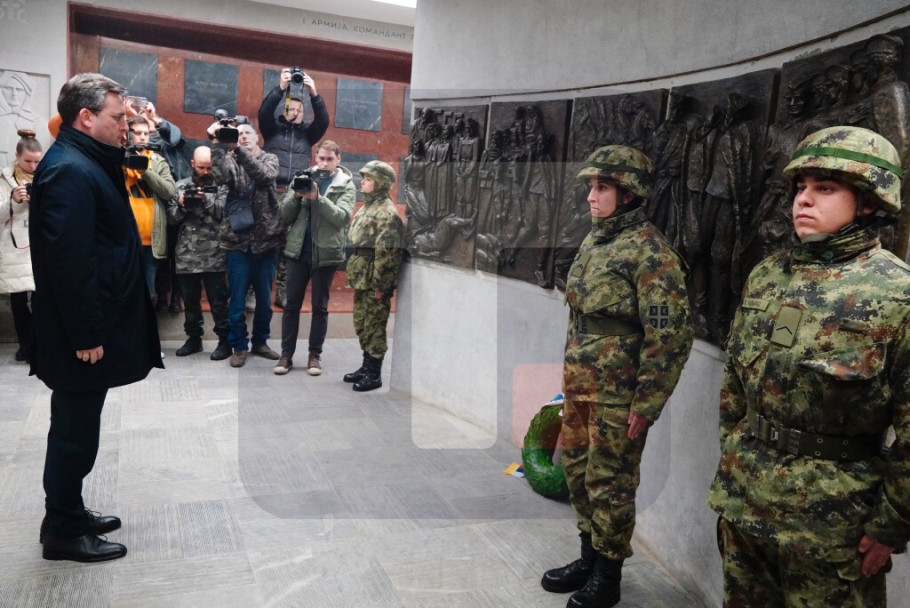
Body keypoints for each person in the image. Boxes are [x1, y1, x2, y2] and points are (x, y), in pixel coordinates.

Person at [707, 126, 910, 607]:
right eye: (801, 187)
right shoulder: (771, 276)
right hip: (746, 504)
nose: (804, 199)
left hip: (832, 526)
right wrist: (736, 457)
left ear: (868, 202)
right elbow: (739, 382)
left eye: (825, 188)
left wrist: (890, 525)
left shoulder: (897, 294)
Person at [541, 145, 693, 608]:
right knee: (577, 472)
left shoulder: (651, 254)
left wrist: (647, 403)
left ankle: (607, 576)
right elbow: (579, 318)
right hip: (582, 387)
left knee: (610, 483)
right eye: (591, 186)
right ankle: (588, 558)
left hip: (618, 396)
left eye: (602, 187)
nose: (592, 196)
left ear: (629, 193)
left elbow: (669, 337)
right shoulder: (596, 242)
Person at [30, 73, 162, 562]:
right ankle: (63, 532)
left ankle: (66, 513)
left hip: (89, 325)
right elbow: (70, 263)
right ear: (85, 117)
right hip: (79, 335)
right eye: (117, 117)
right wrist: (86, 333)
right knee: (74, 434)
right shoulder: (70, 169)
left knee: (78, 428)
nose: (126, 125)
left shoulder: (85, 159)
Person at [274, 140, 355, 376]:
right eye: (321, 158)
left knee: (320, 307)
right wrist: (297, 196)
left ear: (338, 159)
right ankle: (286, 355)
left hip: (326, 253)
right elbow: (284, 216)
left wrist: (318, 198)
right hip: (298, 251)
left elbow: (342, 217)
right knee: (291, 305)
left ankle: (314, 355)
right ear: (315, 157)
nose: (324, 163)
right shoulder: (302, 178)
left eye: (329, 159)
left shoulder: (345, 184)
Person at [208, 119, 284, 368]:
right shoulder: (230, 159)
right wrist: (217, 144)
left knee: (264, 301)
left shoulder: (270, 158)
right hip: (238, 244)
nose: (242, 137)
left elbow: (264, 176)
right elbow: (220, 177)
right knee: (237, 300)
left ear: (257, 138)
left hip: (266, 243)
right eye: (238, 134)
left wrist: (238, 151)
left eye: (247, 133)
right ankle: (239, 346)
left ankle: (260, 342)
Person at [343, 161, 404, 392]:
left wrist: (381, 285)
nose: (363, 182)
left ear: (380, 183)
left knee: (375, 324)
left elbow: (387, 253)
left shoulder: (386, 213)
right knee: (362, 322)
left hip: (374, 279)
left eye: (368, 179)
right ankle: (365, 366)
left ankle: (374, 373)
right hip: (362, 275)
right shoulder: (368, 206)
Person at [167, 145, 231, 361]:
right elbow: (171, 219)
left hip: (215, 254)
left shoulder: (221, 186)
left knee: (219, 303)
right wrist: (182, 205)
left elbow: (223, 212)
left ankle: (224, 341)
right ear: (193, 164)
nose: (205, 172)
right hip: (187, 254)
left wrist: (205, 199)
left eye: (209, 168)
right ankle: (194, 339)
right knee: (190, 302)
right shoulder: (180, 186)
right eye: (201, 167)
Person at [124, 115, 176, 301]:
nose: (142, 137)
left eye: (146, 133)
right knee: (124, 291)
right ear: (128, 134)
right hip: (125, 238)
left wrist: (145, 171)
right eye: (137, 133)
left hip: (151, 240)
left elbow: (170, 192)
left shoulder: (157, 161)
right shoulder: (117, 158)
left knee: (148, 293)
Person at [0, 129, 41, 362]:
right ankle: (25, 345)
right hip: (14, 247)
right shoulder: (4, 180)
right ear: (17, 156)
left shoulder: (47, 176)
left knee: (41, 301)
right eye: (28, 161)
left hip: (40, 246)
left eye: (37, 162)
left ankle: (36, 345)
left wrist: (40, 201)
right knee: (18, 302)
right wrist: (13, 201)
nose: (33, 166)